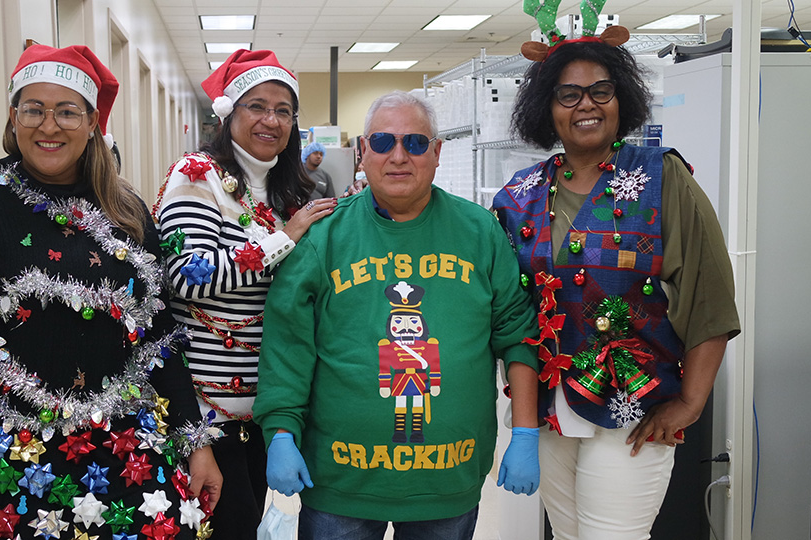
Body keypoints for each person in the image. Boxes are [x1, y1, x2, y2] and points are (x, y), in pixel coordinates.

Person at [0, 44, 223, 540]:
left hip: (119, 455)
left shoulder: (125, 211)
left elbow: (159, 339)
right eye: (33, 109)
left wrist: (197, 443)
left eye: (66, 111)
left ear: (92, 123)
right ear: (13, 119)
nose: (48, 125)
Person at [492, 4, 741, 538]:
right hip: (549, 409)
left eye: (600, 91)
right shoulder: (517, 196)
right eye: (568, 94)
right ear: (547, 107)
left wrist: (692, 403)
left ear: (620, 99)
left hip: (633, 407)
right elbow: (504, 311)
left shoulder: (660, 178)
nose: (586, 105)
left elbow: (709, 292)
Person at [254, 90, 541, 540]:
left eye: (417, 143)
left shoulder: (479, 232)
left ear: (438, 153)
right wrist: (281, 433)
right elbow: (287, 345)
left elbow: (517, 333)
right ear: (363, 152)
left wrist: (526, 432)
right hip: (340, 485)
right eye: (384, 143)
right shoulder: (322, 237)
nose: (399, 156)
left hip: (448, 480)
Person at [152, 49, 336, 539]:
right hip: (204, 411)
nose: (270, 120)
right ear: (228, 112)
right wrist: (284, 239)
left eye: (283, 110)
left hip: (268, 407)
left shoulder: (289, 190)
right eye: (256, 105)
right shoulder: (196, 177)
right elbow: (188, 275)